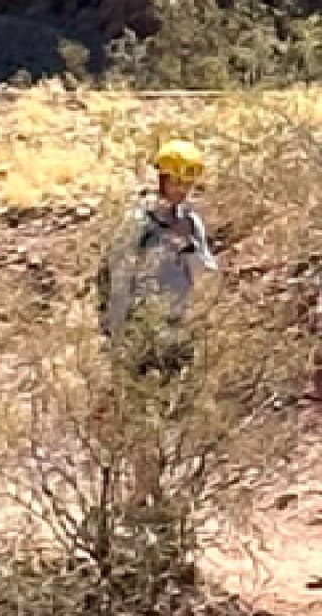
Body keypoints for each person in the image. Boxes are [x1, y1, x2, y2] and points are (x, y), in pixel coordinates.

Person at [100, 137, 218, 503]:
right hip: (139, 330)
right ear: (162, 179)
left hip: (176, 330)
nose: (182, 191)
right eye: (176, 182)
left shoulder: (191, 224)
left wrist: (188, 246)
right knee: (141, 412)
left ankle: (154, 488)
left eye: (188, 184)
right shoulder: (137, 224)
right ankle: (143, 490)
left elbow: (208, 273)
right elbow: (118, 280)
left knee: (169, 413)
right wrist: (117, 335)